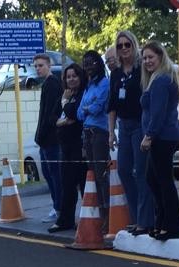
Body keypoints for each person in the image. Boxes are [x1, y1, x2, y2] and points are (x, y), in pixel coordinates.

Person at [109, 30, 155, 235]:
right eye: (120, 46)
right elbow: (112, 105)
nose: (124, 48)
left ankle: (145, 220)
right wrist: (111, 132)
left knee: (141, 172)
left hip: (140, 124)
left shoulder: (142, 69)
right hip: (124, 125)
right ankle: (137, 217)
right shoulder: (116, 73)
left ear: (134, 45)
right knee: (123, 170)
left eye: (127, 44)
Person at [139, 41, 179, 240]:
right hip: (161, 136)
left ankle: (171, 225)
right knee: (153, 179)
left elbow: (158, 113)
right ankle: (161, 221)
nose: (147, 61)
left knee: (163, 181)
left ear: (160, 57)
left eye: (151, 57)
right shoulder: (156, 79)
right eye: (145, 58)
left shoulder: (162, 80)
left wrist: (149, 136)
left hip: (162, 137)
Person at [78, 50, 112, 233]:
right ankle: (98, 213)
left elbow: (98, 108)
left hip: (99, 132)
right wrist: (87, 108)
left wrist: (87, 108)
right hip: (87, 133)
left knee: (101, 175)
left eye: (92, 63)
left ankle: (108, 214)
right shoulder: (88, 86)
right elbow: (79, 112)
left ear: (99, 64)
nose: (88, 67)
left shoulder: (105, 84)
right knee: (91, 174)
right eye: (85, 63)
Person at [49, 62, 86, 234]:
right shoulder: (65, 95)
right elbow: (54, 117)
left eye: (74, 76)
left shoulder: (81, 95)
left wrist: (66, 105)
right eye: (68, 76)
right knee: (67, 184)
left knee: (84, 184)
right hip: (65, 146)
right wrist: (62, 119)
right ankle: (65, 220)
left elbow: (74, 114)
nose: (71, 79)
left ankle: (89, 219)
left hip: (80, 145)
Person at [33, 53, 64, 224]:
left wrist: (43, 133)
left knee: (54, 175)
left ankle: (59, 208)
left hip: (51, 139)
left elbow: (50, 114)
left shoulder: (52, 84)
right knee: (48, 173)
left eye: (41, 65)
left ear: (49, 66)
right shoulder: (47, 85)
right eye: (36, 66)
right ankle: (56, 206)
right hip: (45, 139)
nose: (38, 68)